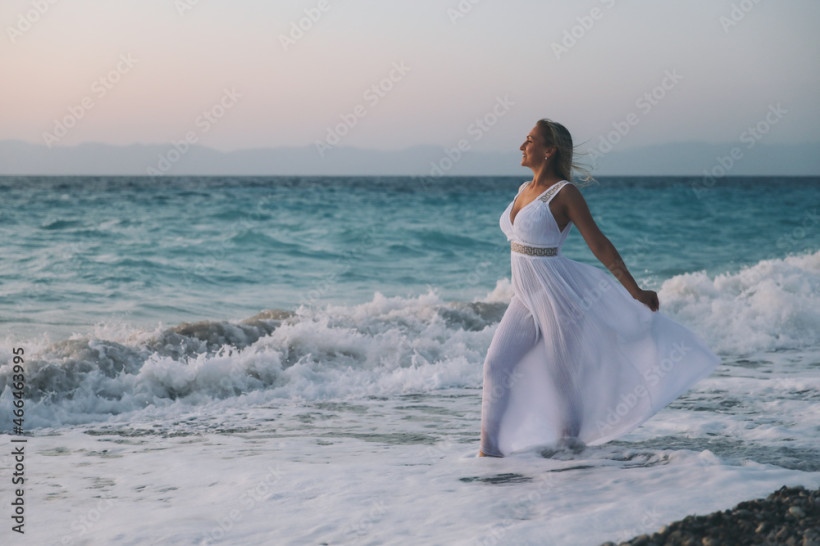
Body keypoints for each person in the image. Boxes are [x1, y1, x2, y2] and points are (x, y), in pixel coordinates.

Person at [479, 119, 719, 457]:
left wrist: (635, 291)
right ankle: (488, 454)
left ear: (549, 150)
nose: (523, 145)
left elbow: (600, 245)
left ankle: (570, 456)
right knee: (495, 365)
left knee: (565, 382)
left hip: (559, 296)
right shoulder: (523, 189)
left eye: (530, 139)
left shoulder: (565, 194)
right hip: (525, 297)